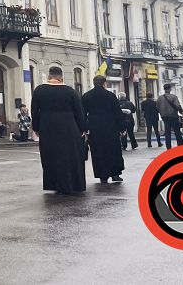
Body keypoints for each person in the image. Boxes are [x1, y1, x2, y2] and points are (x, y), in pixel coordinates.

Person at [31, 67, 87, 195]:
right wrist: (82, 128)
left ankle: (55, 184)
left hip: (47, 127)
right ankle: (71, 184)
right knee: (69, 156)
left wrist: (36, 128)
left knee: (51, 157)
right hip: (69, 127)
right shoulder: (70, 91)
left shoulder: (39, 90)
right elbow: (79, 112)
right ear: (61, 77)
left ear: (49, 76)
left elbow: (34, 111)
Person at [82, 75, 125, 184]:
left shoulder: (86, 96)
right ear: (104, 83)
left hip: (94, 127)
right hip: (110, 126)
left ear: (94, 83)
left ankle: (102, 175)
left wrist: (84, 128)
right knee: (113, 150)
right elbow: (117, 112)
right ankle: (115, 174)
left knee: (98, 151)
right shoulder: (110, 95)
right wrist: (122, 128)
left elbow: (83, 113)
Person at [157, 83, 183, 149]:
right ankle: (180, 145)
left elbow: (157, 107)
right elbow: (177, 105)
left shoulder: (160, 98)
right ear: (170, 89)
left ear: (164, 89)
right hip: (173, 115)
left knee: (167, 132)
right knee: (177, 131)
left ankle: (168, 146)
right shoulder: (173, 97)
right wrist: (181, 111)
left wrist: (162, 112)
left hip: (164, 116)